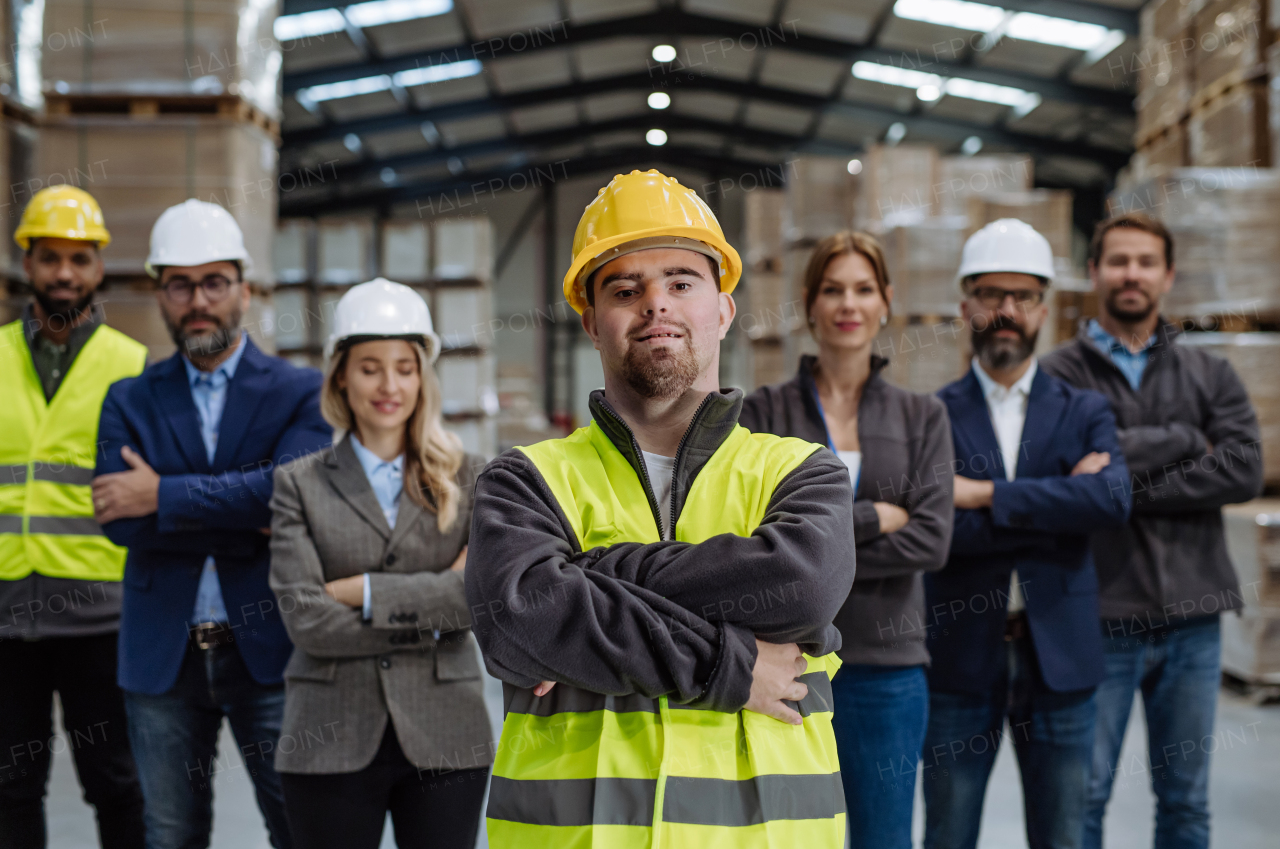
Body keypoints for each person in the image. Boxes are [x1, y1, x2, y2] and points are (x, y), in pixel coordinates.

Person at [466, 169, 857, 848]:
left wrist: (594, 574)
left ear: (724, 310)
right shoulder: (525, 479)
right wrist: (729, 665)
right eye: (625, 288)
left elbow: (804, 586)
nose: (656, 304)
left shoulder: (799, 470)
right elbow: (518, 619)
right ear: (591, 321)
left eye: (681, 281)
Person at [93, 199, 331, 849]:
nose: (198, 299)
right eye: (179, 284)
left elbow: (293, 500)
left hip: (272, 650)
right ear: (160, 294)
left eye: (214, 282)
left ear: (244, 290)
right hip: (161, 657)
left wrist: (161, 494)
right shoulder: (130, 396)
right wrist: (248, 506)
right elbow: (119, 520)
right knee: (169, 834)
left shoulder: (301, 390)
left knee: (300, 826)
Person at [1040, 213, 1263, 849]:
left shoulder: (1209, 374)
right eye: (1118, 260)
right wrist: (1185, 441)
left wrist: (1117, 479)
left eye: (1145, 262)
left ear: (1167, 276)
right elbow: (1056, 474)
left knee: (1186, 802)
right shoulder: (1058, 377)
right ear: (1094, 272)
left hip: (1195, 619)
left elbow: (1244, 469)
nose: (1131, 273)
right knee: (1082, 800)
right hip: (1099, 618)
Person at [738, 230, 954, 849]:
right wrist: (876, 518)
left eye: (863, 289)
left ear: (886, 301)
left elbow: (933, 540)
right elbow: (756, 540)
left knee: (883, 839)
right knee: (788, 838)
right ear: (809, 304)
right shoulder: (765, 414)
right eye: (833, 290)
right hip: (790, 666)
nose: (848, 305)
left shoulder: (922, 418)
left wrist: (813, 550)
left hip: (887, 670)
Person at [922, 219, 1131, 849]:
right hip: (960, 658)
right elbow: (939, 531)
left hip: (1060, 660)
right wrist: (1059, 506)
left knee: (1066, 837)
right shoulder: (931, 415)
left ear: (1046, 308)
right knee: (948, 835)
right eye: (991, 295)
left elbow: (1111, 500)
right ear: (966, 306)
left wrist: (985, 496)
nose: (1006, 311)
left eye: (1024, 297)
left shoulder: (1084, 409)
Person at [267, 278, 492, 849]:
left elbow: (478, 600)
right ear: (341, 374)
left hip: (447, 732)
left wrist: (362, 590)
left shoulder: (471, 477)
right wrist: (436, 597)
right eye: (370, 368)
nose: (389, 385)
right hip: (328, 732)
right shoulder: (299, 484)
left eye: (404, 367)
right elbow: (305, 619)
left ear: (423, 376)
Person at [0, 186, 147, 848]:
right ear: (25, 262)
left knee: (117, 781)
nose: (64, 273)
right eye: (50, 257)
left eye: (79, 259)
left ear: (98, 268)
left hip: (102, 615)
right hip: (5, 614)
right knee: (10, 785)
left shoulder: (134, 368)